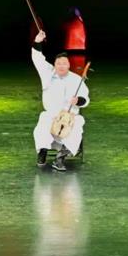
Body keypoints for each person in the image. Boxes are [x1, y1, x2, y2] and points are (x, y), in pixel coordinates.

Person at [31, 29, 89, 172]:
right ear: (55, 65)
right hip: (51, 114)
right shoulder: (48, 73)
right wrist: (37, 42)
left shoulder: (76, 79)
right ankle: (42, 151)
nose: (61, 66)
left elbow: (86, 98)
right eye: (58, 63)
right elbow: (38, 59)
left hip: (70, 116)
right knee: (43, 121)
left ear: (69, 65)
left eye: (64, 63)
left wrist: (79, 100)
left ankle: (61, 157)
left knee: (78, 124)